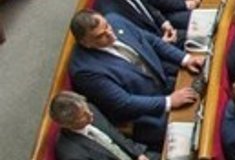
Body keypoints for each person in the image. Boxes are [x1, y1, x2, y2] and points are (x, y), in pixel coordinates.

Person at [66, 10, 201, 148]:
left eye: (107, 26)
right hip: (143, 116)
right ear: (86, 43)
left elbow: (152, 41)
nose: (110, 33)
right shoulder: (84, 70)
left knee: (201, 86)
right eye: (100, 36)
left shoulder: (115, 19)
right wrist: (169, 101)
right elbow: (124, 103)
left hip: (162, 84)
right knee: (193, 132)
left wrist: (185, 59)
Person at [48, 89, 156, 160]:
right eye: (82, 116)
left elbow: (116, 135)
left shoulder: (89, 109)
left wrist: (139, 154)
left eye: (86, 108)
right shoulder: (71, 154)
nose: (90, 114)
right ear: (67, 124)